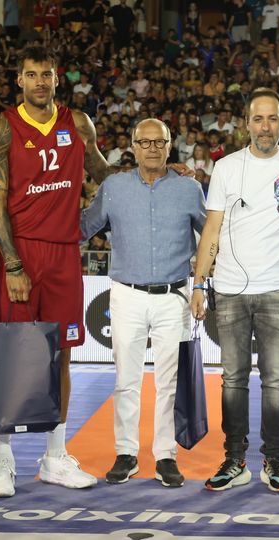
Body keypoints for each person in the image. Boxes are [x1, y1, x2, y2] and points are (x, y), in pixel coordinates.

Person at [0, 46, 118, 497]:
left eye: (47, 74)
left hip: (63, 254)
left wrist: (156, 171)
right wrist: (13, 263)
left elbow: (105, 174)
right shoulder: (2, 127)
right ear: (19, 80)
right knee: (12, 354)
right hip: (19, 254)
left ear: (57, 79)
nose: (40, 81)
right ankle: (3, 461)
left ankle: (55, 457)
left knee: (61, 356)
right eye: (32, 74)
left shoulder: (77, 123)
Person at [190, 88, 279, 493]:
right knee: (233, 379)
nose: (265, 127)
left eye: (272, 118)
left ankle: (273, 460)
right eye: (258, 119)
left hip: (277, 288)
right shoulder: (227, 167)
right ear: (246, 123)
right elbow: (211, 229)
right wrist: (199, 282)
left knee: (276, 380)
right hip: (229, 289)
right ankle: (234, 459)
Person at [81, 118, 206, 487]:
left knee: (170, 383)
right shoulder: (114, 187)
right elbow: (83, 228)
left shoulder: (189, 188)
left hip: (174, 297)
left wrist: (203, 285)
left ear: (170, 146)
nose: (152, 148)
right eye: (145, 142)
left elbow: (212, 233)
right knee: (126, 381)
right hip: (126, 295)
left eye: (159, 142)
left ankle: (166, 455)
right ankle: (126, 452)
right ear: (132, 148)